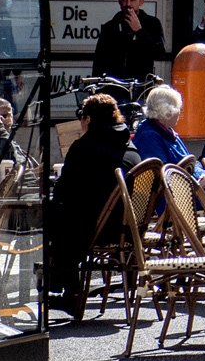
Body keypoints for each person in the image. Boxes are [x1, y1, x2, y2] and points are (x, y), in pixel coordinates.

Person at [45, 94, 141, 317]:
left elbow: (64, 188)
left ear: (87, 119)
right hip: (130, 227)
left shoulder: (85, 146)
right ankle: (65, 289)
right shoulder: (129, 144)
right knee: (67, 216)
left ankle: (68, 292)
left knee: (56, 217)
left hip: (101, 228)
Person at [92, 0, 166, 83]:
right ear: (119, 1)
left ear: (141, 2)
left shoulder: (152, 23)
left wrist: (139, 31)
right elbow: (99, 61)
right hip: (114, 87)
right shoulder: (111, 26)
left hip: (141, 87)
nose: (128, 4)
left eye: (132, 0)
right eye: (124, 0)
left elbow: (160, 53)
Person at [131, 85, 205, 181]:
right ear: (167, 111)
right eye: (178, 107)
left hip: (185, 185)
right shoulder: (148, 135)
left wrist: (201, 175)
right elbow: (162, 175)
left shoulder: (167, 131)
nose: (180, 112)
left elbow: (189, 161)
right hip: (174, 191)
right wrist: (196, 180)